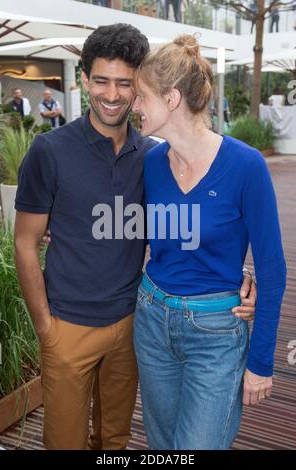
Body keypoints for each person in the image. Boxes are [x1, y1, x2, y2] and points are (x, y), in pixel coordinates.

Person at [14, 24, 256, 451]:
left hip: (134, 323)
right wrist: (45, 328)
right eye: (101, 80)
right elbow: (25, 242)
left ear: (139, 87)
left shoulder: (153, 156)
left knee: (115, 440)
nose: (112, 94)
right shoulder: (48, 151)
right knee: (64, 443)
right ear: (83, 79)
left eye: (125, 83)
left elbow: (186, 223)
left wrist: (242, 271)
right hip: (67, 325)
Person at [132, 34, 286, 450]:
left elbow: (273, 272)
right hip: (151, 321)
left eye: (140, 95)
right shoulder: (150, 163)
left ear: (171, 98)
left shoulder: (246, 165)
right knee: (162, 447)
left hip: (216, 333)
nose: (134, 106)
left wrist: (260, 363)